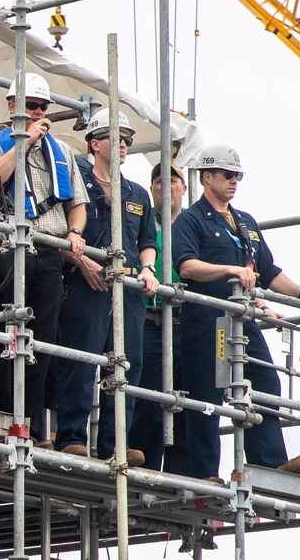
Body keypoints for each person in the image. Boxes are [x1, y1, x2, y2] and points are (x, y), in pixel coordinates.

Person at [172, 143, 300, 479]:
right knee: (206, 396)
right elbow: (186, 266)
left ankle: (268, 462)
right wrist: (230, 270)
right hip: (208, 320)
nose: (233, 182)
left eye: (237, 176)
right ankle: (203, 475)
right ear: (207, 176)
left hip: (242, 320)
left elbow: (268, 271)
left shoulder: (245, 222)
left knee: (265, 382)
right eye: (228, 175)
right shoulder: (191, 220)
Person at [0, 72, 88, 445]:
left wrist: (75, 232)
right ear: (12, 107)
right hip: (6, 249)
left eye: (42, 107)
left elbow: (78, 204)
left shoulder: (63, 152)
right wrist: (25, 142)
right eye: (30, 107)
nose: (37, 113)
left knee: (40, 341)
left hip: (49, 252)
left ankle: (33, 426)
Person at [55, 109, 157, 466]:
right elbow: (56, 230)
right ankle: (70, 437)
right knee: (82, 360)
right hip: (88, 282)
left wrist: (147, 269)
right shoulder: (75, 178)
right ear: (95, 143)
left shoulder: (137, 193)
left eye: (128, 139)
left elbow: (147, 240)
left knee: (126, 365)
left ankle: (115, 444)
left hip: (126, 285)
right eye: (117, 138)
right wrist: (82, 262)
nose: (125, 145)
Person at [129, 162, 191, 473]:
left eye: (172, 181)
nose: (164, 187)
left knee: (187, 402)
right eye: (157, 181)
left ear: (184, 187)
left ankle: (183, 474)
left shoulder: (193, 224)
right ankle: (145, 470)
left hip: (186, 320)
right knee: (149, 399)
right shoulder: (144, 221)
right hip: (151, 318)